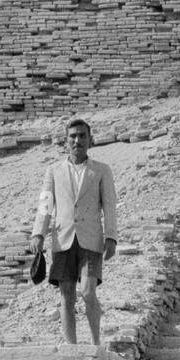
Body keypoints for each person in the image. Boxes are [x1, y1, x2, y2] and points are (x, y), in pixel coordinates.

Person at [30, 118, 118, 345]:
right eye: (73, 136)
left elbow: (109, 204)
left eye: (82, 136)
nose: (77, 140)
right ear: (66, 141)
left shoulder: (101, 170)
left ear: (90, 140)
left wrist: (111, 237)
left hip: (91, 239)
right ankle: (72, 347)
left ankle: (97, 343)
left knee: (88, 292)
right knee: (66, 294)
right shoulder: (54, 170)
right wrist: (38, 233)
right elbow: (46, 203)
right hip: (63, 238)